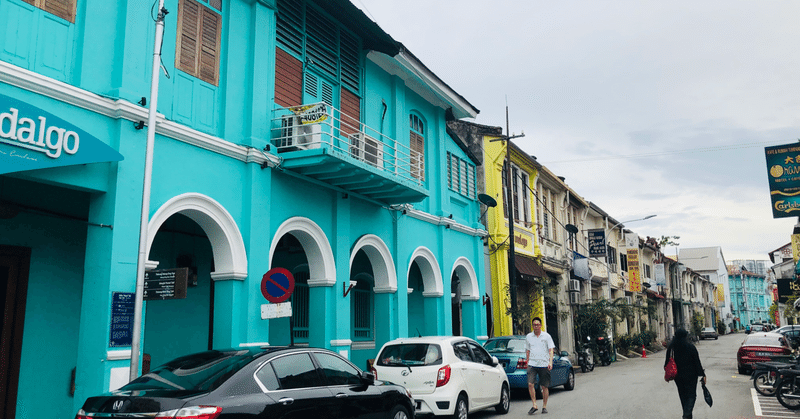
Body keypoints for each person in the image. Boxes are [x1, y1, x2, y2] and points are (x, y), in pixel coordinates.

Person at [665, 328, 707, 419]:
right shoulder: (690, 347)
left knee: (683, 395)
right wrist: (702, 374)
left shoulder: (672, 347)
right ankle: (686, 415)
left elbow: (666, 363)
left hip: (678, 376)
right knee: (692, 395)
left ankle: (687, 416)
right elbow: (697, 362)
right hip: (691, 376)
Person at [525, 317, 555, 415]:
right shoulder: (529, 337)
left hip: (544, 364)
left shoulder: (546, 336)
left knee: (544, 386)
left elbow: (551, 350)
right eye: (534, 325)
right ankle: (534, 404)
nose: (536, 326)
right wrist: (527, 361)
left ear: (541, 325)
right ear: (532, 326)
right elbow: (527, 350)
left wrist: (550, 362)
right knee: (530, 384)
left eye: (538, 324)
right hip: (532, 364)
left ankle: (544, 406)